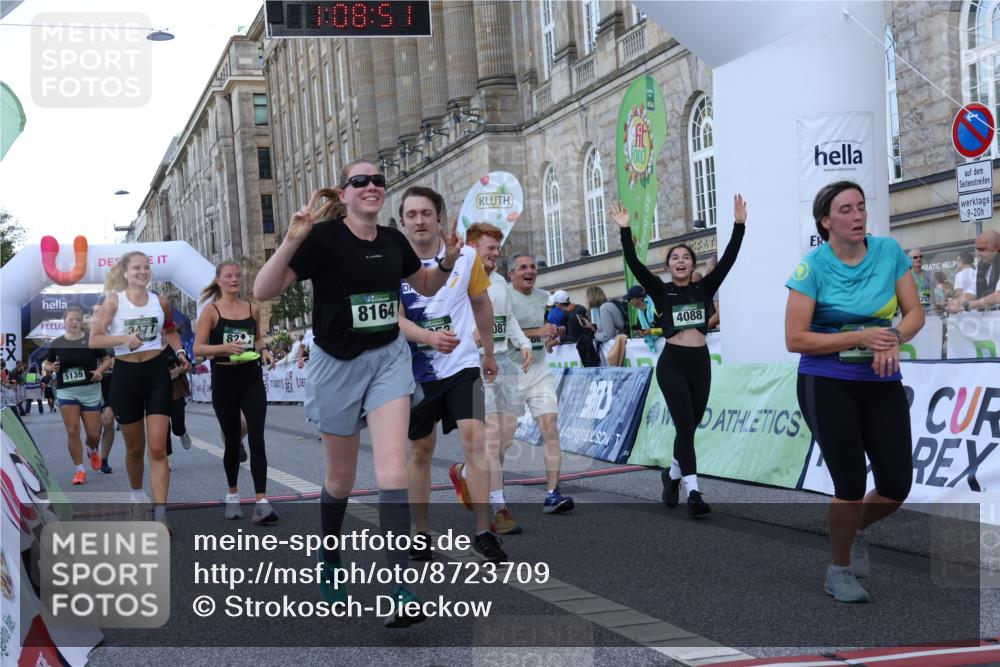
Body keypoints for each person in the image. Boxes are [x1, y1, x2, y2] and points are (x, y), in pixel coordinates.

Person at [253, 160, 460, 628]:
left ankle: (398, 587)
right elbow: (263, 290)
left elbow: (422, 284)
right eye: (359, 181)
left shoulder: (392, 241)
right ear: (344, 194)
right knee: (341, 479)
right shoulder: (323, 239)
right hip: (336, 365)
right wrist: (293, 238)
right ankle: (330, 560)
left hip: (388, 356)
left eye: (378, 180)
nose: (371, 186)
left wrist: (446, 262)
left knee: (391, 471)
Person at [785, 181, 924, 603]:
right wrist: (860, 338)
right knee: (848, 481)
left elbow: (915, 311)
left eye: (861, 207)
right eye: (845, 210)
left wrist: (894, 337)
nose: (858, 216)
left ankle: (855, 530)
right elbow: (796, 339)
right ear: (826, 221)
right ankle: (839, 568)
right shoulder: (812, 268)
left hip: (881, 382)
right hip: (825, 382)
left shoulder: (889, 253)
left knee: (897, 485)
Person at [612, 195, 747, 517]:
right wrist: (625, 231)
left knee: (690, 426)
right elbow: (634, 264)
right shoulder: (660, 290)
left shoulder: (705, 288)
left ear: (693, 264)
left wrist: (739, 225)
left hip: (700, 363)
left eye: (686, 257)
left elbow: (729, 258)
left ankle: (671, 475)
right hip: (672, 363)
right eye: (675, 258)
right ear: (669, 266)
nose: (681, 261)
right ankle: (694, 491)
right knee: (685, 426)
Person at [393, 187, 504, 562]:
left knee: (476, 439)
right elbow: (395, 318)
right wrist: (427, 337)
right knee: (421, 449)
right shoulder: (391, 261)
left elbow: (481, 303)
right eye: (412, 215)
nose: (420, 221)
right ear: (402, 222)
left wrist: (488, 352)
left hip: (462, 364)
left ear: (439, 218)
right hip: (417, 369)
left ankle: (483, 530)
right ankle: (420, 531)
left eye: (426, 213)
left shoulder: (467, 256)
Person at [90, 251, 190, 528]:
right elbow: (94, 339)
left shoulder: (161, 301)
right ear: (125, 272)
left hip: (157, 373)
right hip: (126, 376)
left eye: (146, 268)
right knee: (135, 449)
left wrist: (180, 351)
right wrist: (123, 338)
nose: (142, 272)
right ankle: (137, 495)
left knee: (158, 448)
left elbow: (169, 331)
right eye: (136, 268)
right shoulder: (113, 302)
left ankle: (160, 513)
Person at [195, 260, 278, 524]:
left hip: (251, 377)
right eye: (229, 276)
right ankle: (232, 494)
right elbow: (198, 349)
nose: (234, 280)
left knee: (257, 437)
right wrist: (224, 349)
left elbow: (257, 338)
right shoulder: (211, 311)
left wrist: (264, 351)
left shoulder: (252, 308)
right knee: (232, 441)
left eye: (237, 276)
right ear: (218, 280)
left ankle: (262, 501)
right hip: (224, 379)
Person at [465, 223, 532, 534]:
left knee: (505, 437)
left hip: (504, 362)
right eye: (490, 248)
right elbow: (447, 319)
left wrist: (525, 342)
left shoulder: (501, 281)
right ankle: (499, 508)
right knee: (491, 438)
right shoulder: (460, 279)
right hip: (477, 365)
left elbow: (509, 318)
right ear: (473, 247)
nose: (496, 253)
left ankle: (467, 474)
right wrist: (471, 336)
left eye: (497, 247)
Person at [507, 253, 575, 514]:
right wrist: (538, 332)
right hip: (510, 371)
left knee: (550, 428)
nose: (529, 271)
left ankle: (552, 493)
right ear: (511, 273)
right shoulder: (503, 298)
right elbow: (498, 334)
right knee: (503, 438)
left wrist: (552, 336)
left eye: (533, 267)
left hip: (538, 370)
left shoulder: (544, 298)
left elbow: (543, 339)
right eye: (522, 267)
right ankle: (486, 487)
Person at [42, 307, 112, 485]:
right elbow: (47, 364)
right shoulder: (57, 343)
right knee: (72, 430)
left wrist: (99, 371)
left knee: (94, 434)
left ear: (82, 322)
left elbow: (107, 360)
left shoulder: (91, 340)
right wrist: (49, 368)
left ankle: (92, 449)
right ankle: (79, 470)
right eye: (70, 319)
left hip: (90, 391)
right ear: (64, 321)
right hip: (67, 391)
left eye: (77, 319)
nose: (74, 322)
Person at [948, 230, 1000, 311]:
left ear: (996, 247)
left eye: (982, 249)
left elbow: (998, 296)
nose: (978, 254)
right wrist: (953, 304)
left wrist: (967, 305)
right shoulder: (981, 269)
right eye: (977, 250)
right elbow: (971, 294)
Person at [587, 286, 628, 366]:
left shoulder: (604, 307)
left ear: (591, 297)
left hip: (617, 347)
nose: (586, 301)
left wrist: (594, 336)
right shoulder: (601, 308)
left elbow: (608, 334)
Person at [626, 285, 663, 353]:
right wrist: (641, 332)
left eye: (630, 299)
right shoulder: (639, 311)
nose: (629, 301)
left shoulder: (656, 306)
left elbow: (667, 329)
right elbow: (643, 329)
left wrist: (651, 331)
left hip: (668, 343)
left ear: (639, 299)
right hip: (657, 345)